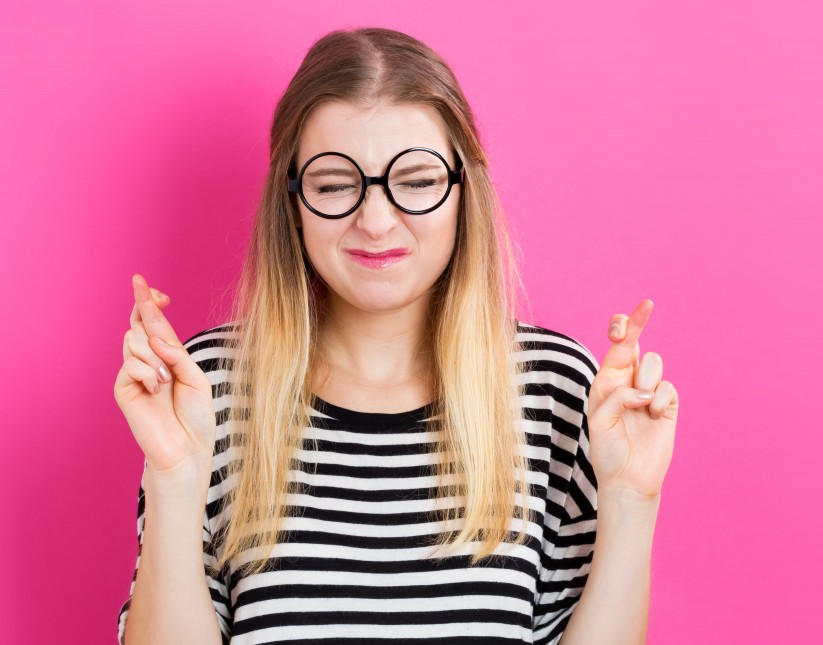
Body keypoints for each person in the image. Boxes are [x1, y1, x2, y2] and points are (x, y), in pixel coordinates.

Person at [114, 27, 677, 645]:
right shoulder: (209, 387)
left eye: (415, 181)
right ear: (292, 201)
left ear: (464, 191)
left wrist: (631, 500)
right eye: (334, 185)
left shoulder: (553, 389)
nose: (377, 222)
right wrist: (173, 480)